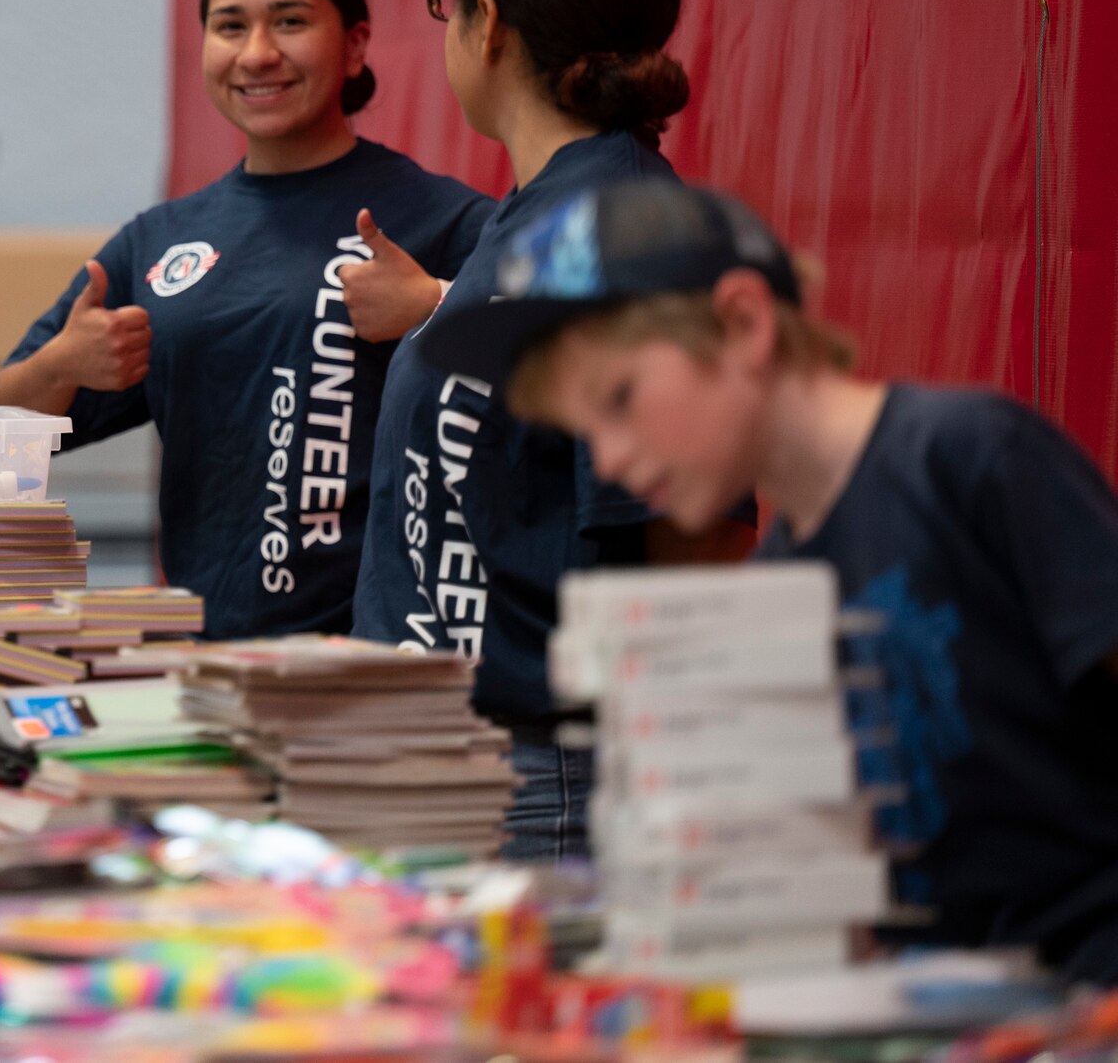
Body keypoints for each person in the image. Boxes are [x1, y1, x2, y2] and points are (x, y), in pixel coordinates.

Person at [423, 178, 1118, 986]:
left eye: (620, 399)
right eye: (585, 430)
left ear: (744, 323)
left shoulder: (968, 456)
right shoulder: (779, 577)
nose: (605, 459)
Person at [352, 0, 749, 862]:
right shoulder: (537, 212)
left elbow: (688, 536)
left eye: (447, 1)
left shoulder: (628, 233)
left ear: (486, 24)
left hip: (543, 780)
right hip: (452, 756)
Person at [0, 0, 493, 639]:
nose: (258, 53)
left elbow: (544, 383)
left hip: (376, 669)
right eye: (230, 26)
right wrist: (65, 364)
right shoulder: (158, 243)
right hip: (200, 664)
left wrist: (433, 308)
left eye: (290, 21)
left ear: (354, 45)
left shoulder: (444, 222)